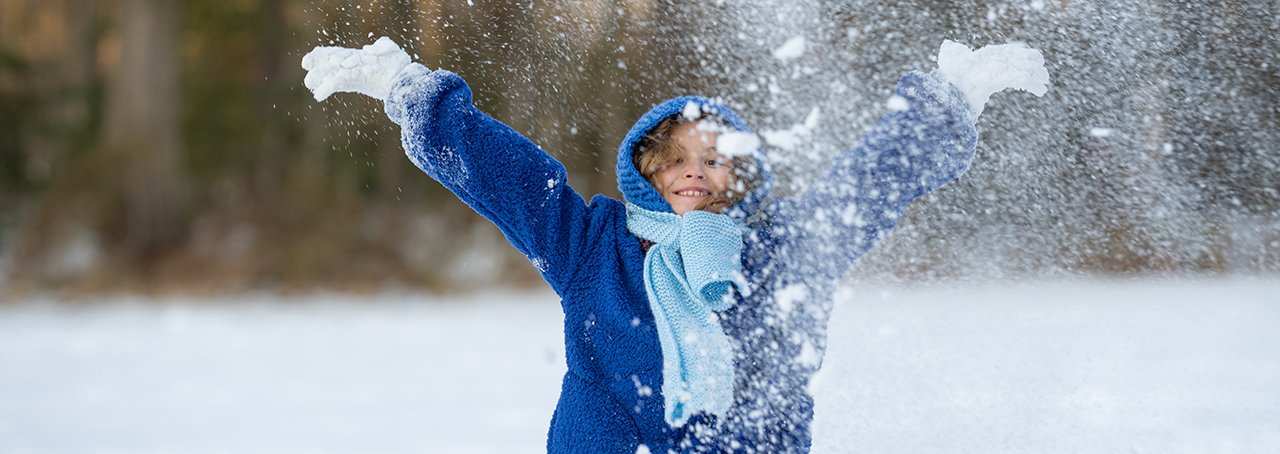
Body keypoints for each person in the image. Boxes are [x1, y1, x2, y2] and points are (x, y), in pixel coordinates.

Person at [302, 36, 1048, 453]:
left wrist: (950, 103)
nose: (696, 167)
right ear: (646, 167)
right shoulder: (594, 240)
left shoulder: (784, 249)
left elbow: (864, 188)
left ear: (742, 172)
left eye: (715, 156)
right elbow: (510, 176)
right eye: (676, 155)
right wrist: (413, 93)